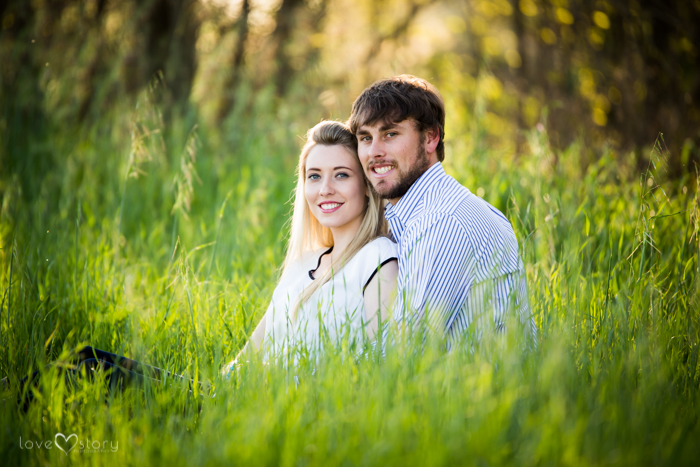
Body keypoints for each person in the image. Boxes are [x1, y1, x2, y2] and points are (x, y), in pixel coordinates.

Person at [348, 75, 535, 347]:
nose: (374, 151)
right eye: (365, 138)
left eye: (390, 134)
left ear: (431, 138)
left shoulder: (442, 222)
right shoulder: (425, 213)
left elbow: (407, 352)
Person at [223, 120, 398, 372]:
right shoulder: (302, 265)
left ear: (367, 186)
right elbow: (246, 357)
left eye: (341, 175)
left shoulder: (378, 258)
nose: (325, 190)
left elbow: (378, 363)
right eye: (314, 176)